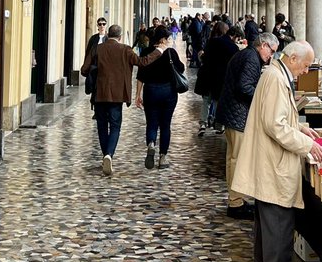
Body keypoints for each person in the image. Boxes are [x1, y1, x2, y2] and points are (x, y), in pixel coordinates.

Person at [232, 40, 322, 262]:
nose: (305, 71)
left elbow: (282, 118)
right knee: (278, 229)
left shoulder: (276, 75)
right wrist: (307, 144)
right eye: (306, 65)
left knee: (267, 228)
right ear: (293, 58)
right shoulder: (275, 79)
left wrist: (301, 128)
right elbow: (276, 126)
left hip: (270, 165)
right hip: (273, 166)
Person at [80, 25, 166, 176]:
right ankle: (109, 155)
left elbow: (84, 70)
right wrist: (158, 52)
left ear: (107, 35)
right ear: (120, 37)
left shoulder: (98, 49)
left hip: (99, 94)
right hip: (117, 95)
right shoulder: (126, 50)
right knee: (115, 126)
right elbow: (142, 62)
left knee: (101, 126)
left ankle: (105, 155)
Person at [217, 32, 279, 218]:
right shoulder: (252, 58)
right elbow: (244, 87)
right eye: (271, 51)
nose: (271, 57)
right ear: (263, 45)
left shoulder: (247, 55)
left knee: (233, 158)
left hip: (232, 113)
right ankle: (236, 204)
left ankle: (236, 200)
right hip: (237, 115)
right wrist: (264, 97)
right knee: (237, 160)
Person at [134, 25, 185, 169]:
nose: (169, 41)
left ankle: (151, 144)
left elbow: (140, 76)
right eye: (167, 38)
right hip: (168, 91)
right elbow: (181, 68)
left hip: (150, 90)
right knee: (165, 124)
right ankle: (163, 157)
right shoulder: (170, 53)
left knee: (151, 122)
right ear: (162, 39)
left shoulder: (146, 51)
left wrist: (137, 95)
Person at [194, 20, 238, 135]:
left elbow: (206, 58)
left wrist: (201, 57)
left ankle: (203, 123)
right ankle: (219, 124)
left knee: (206, 101)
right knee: (218, 100)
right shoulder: (232, 46)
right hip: (221, 77)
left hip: (208, 75)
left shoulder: (212, 42)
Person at [83, 17, 109, 113]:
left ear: (106, 25)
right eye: (100, 24)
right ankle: (95, 109)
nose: (102, 26)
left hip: (105, 67)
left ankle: (105, 108)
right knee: (95, 88)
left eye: (103, 24)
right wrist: (86, 66)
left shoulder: (109, 38)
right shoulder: (93, 38)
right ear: (97, 26)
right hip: (94, 66)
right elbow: (88, 53)